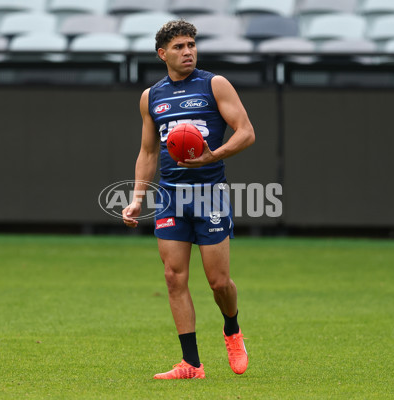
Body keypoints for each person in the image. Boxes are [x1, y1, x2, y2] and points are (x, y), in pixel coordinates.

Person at [122, 19, 255, 380]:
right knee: (173, 277)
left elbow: (246, 132)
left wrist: (216, 154)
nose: (188, 52)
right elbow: (148, 152)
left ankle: (232, 328)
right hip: (170, 197)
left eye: (192, 45)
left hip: (209, 194)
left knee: (219, 283)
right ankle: (191, 364)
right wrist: (137, 199)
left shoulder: (214, 84)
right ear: (162, 53)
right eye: (179, 47)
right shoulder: (152, 96)